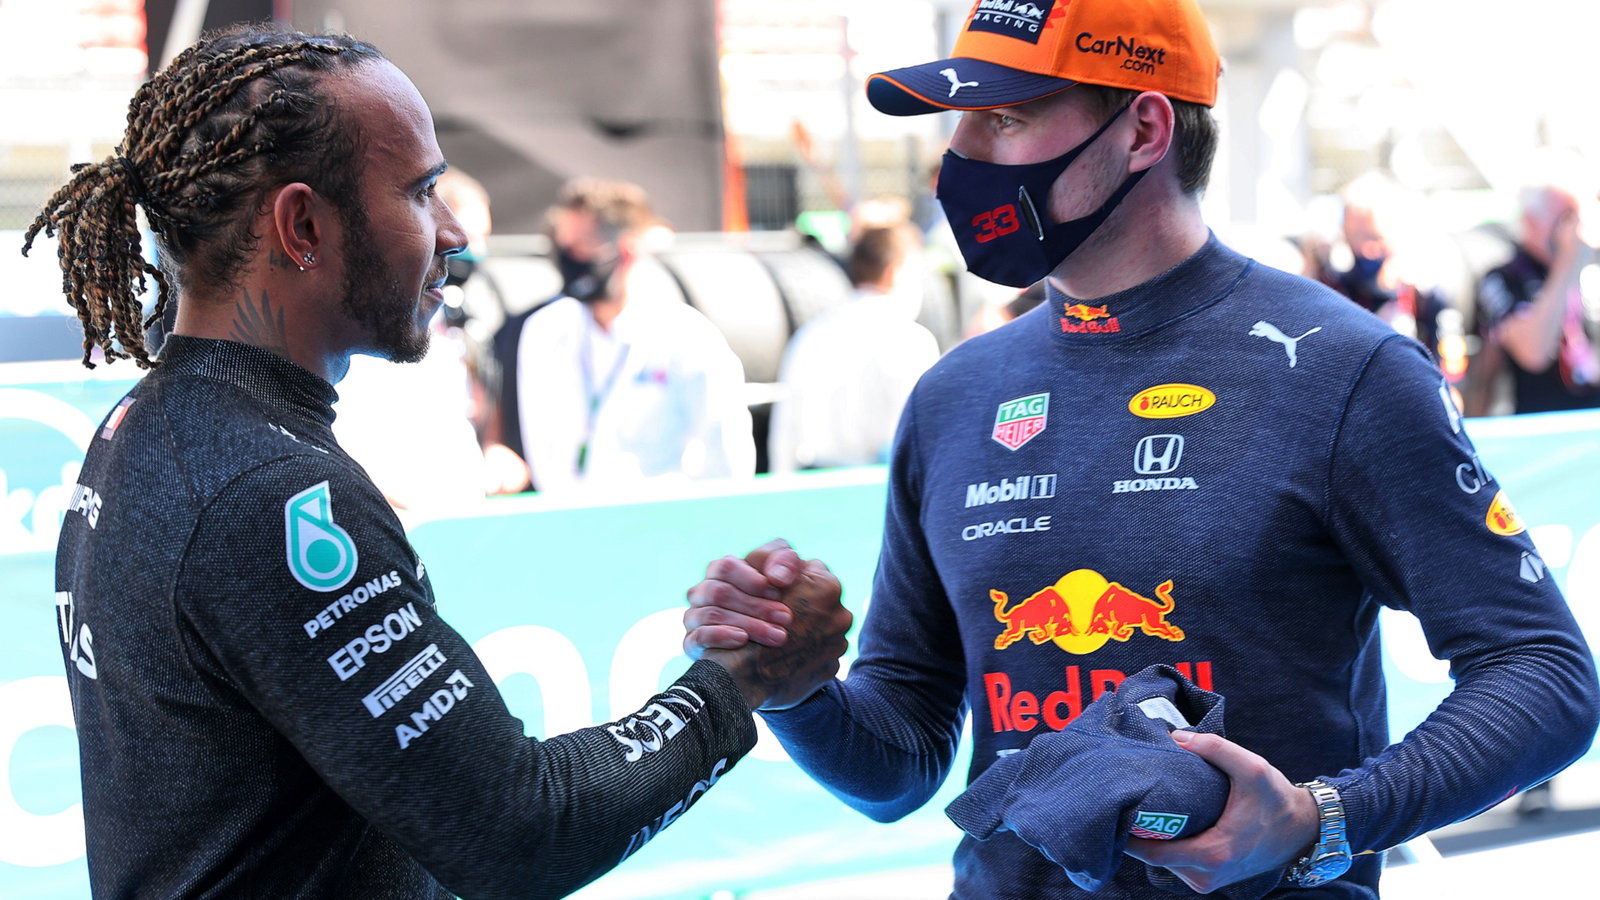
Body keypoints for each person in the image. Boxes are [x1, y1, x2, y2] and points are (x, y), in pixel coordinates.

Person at [684, 1, 1599, 898]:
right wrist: (798, 690)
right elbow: (900, 766)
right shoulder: (954, 396)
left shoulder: (1342, 368)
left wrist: (1323, 818)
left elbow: (1545, 673)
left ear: (1144, 130)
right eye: (960, 123)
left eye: (1006, 119)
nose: (957, 159)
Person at [25, 24, 851, 899]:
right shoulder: (266, 488)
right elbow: (519, 830)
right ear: (303, 225)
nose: (453, 231)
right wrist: (742, 679)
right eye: (421, 193)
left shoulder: (152, 425)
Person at [512, 177, 755, 494]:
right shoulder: (545, 331)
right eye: (561, 245)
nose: (567, 258)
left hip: (664, 518)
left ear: (626, 252)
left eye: (581, 245)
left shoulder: (687, 335)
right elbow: (543, 451)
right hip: (574, 518)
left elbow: (728, 457)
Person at [767, 224, 941, 473]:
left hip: (816, 483)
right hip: (881, 483)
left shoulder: (812, 333)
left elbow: (785, 430)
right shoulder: (911, 339)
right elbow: (919, 435)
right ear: (894, 272)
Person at [1472, 173, 1600, 415]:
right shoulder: (1505, 278)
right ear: (1532, 222)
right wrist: (1566, 264)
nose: (1575, 230)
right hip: (1540, 423)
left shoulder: (1591, 270)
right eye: (1566, 218)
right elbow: (1533, 353)